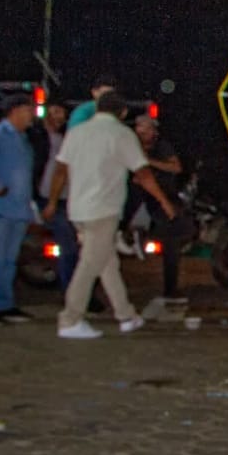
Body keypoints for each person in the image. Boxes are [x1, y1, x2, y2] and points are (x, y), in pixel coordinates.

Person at [44, 90, 177, 339]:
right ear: (123, 112)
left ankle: (126, 315)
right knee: (90, 263)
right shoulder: (121, 134)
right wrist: (164, 201)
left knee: (107, 263)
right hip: (103, 209)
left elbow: (61, 170)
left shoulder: (77, 132)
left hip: (78, 208)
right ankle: (70, 319)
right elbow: (143, 173)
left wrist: (52, 201)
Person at [124, 114, 186, 303]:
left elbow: (176, 167)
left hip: (162, 197)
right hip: (135, 198)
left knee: (172, 239)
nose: (142, 132)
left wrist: (149, 161)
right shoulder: (130, 146)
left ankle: (170, 288)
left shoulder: (162, 146)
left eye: (146, 128)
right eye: (139, 128)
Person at [0, 95, 36, 323]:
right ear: (15, 111)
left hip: (19, 209)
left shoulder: (23, 139)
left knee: (9, 261)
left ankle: (6, 304)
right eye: (29, 110)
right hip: (2, 210)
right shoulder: (1, 134)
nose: (32, 115)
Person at [35, 104, 78, 291]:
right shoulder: (37, 137)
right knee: (68, 247)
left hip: (65, 198)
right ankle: (69, 289)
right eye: (55, 111)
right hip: (49, 197)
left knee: (72, 245)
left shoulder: (63, 138)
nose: (59, 117)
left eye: (62, 113)